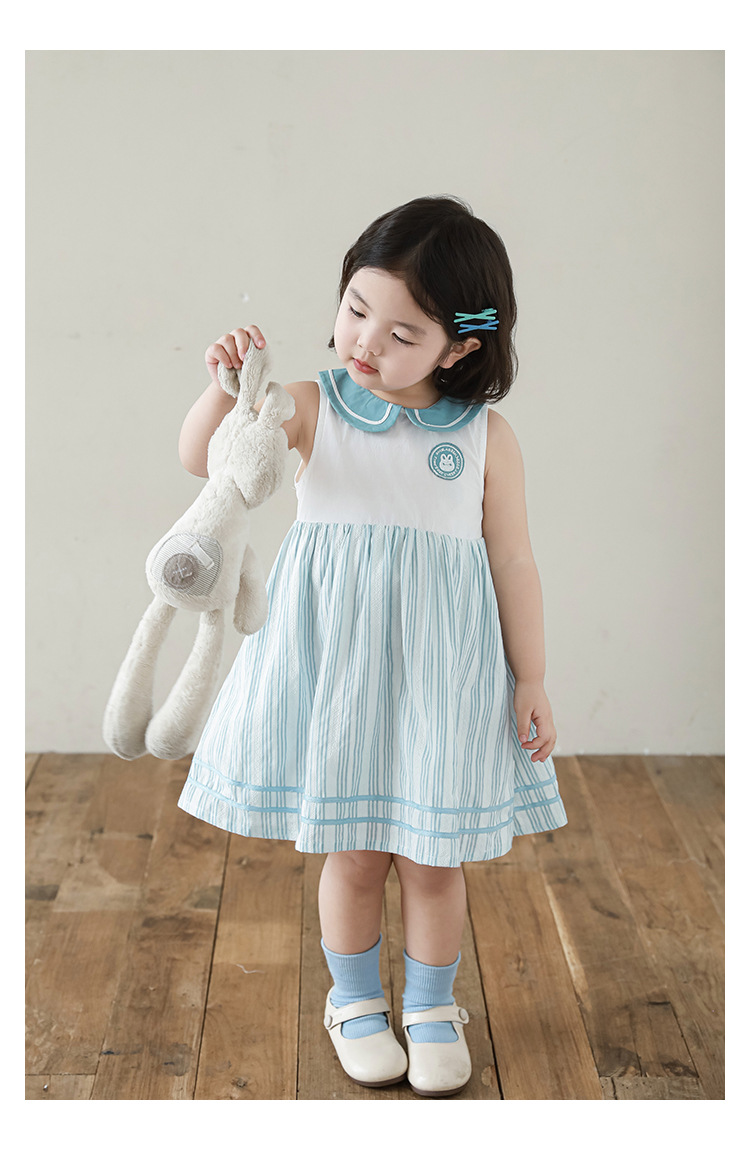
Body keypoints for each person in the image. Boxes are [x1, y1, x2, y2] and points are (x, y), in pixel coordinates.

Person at [176, 195, 567, 1098]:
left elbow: (513, 559)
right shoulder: (313, 407)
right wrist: (224, 389)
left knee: (434, 858)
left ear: (459, 348)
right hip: (339, 671)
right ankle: (353, 1001)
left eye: (402, 333)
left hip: (442, 677)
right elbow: (208, 459)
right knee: (353, 851)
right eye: (357, 309)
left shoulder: (485, 437)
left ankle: (431, 1008)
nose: (366, 342)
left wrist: (532, 676)